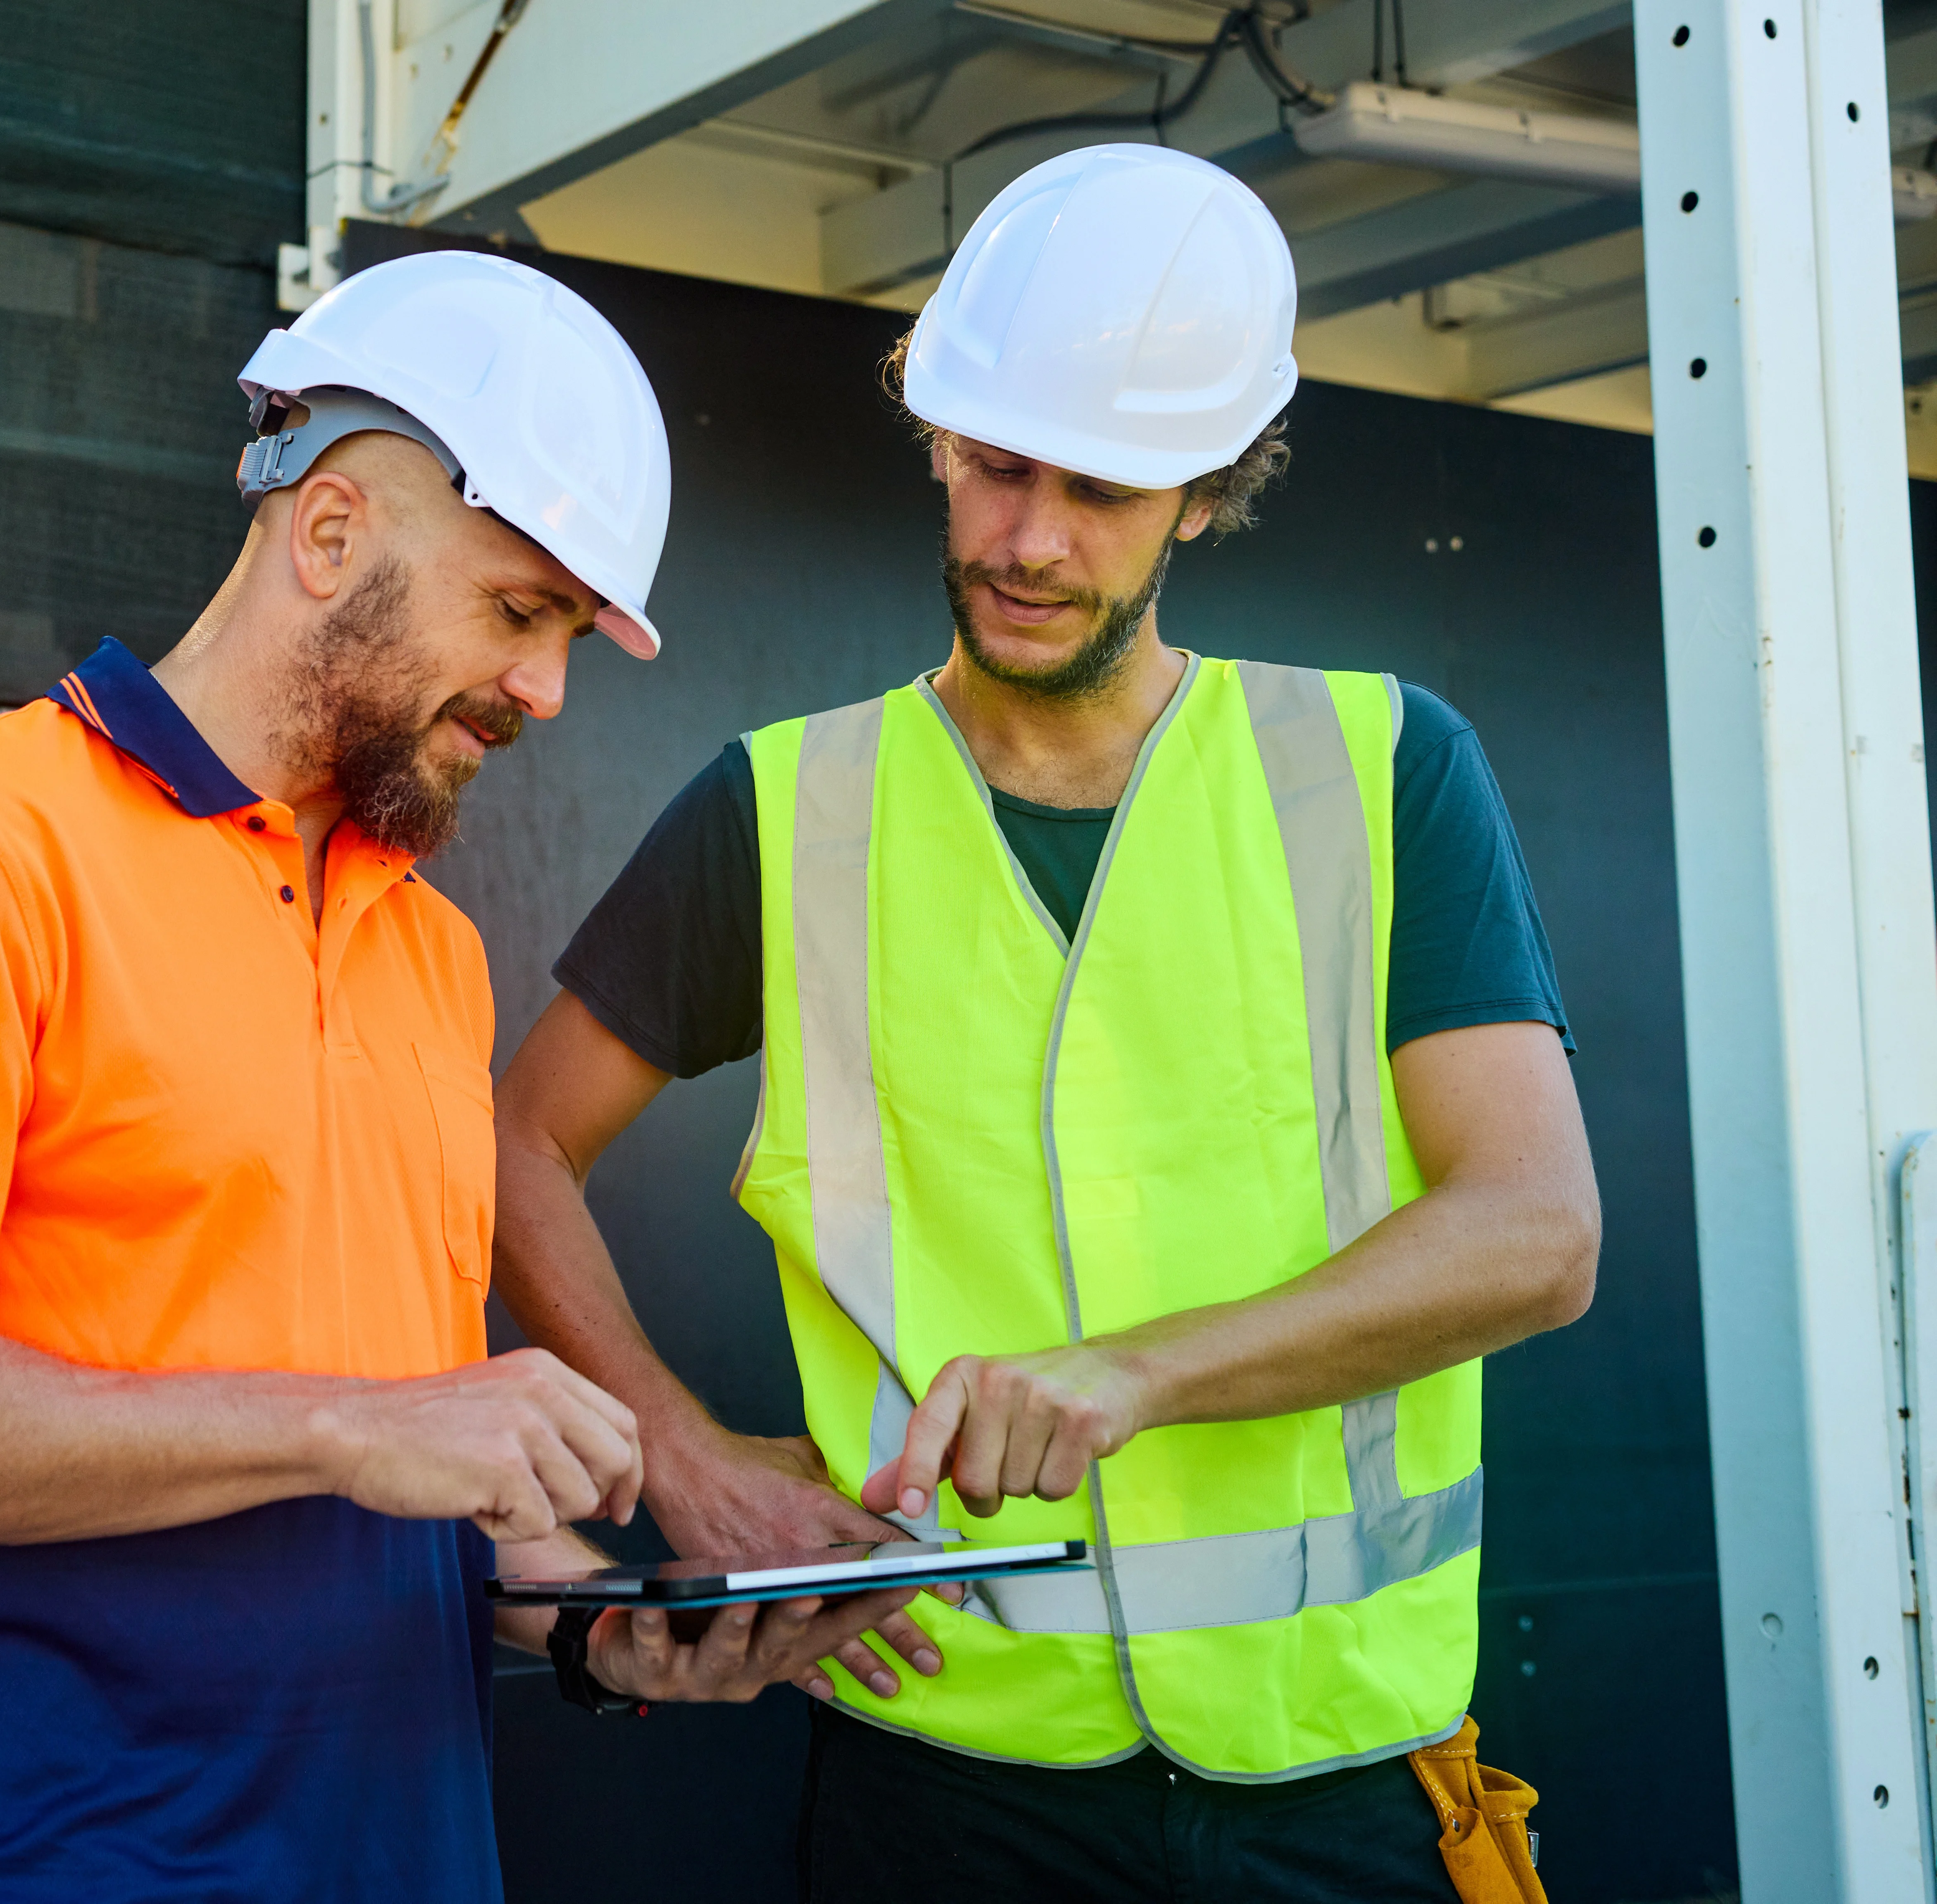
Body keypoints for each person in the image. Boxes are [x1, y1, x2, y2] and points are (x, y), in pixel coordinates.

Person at [0, 248, 916, 1904]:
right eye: (515, 612)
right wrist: (352, 1428)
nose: (544, 693)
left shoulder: (429, 953)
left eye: (564, 633)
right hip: (17, 1860)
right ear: (329, 531)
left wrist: (592, 1621)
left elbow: (402, 1464)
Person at [491, 146, 1601, 1900]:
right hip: (944, 1776)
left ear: (1207, 495)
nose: (1025, 540)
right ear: (934, 436)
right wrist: (679, 1455)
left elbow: (1534, 1236)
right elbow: (511, 1138)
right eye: (993, 467)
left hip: (1343, 1776)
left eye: (1100, 490)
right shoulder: (780, 811)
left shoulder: (1384, 772)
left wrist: (1128, 1377)